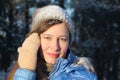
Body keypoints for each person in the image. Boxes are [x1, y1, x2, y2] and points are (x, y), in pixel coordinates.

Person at [7, 5, 98, 80]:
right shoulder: (18, 70)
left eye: (62, 39)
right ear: (34, 39)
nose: (55, 47)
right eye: (47, 38)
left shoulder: (82, 76)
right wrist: (27, 70)